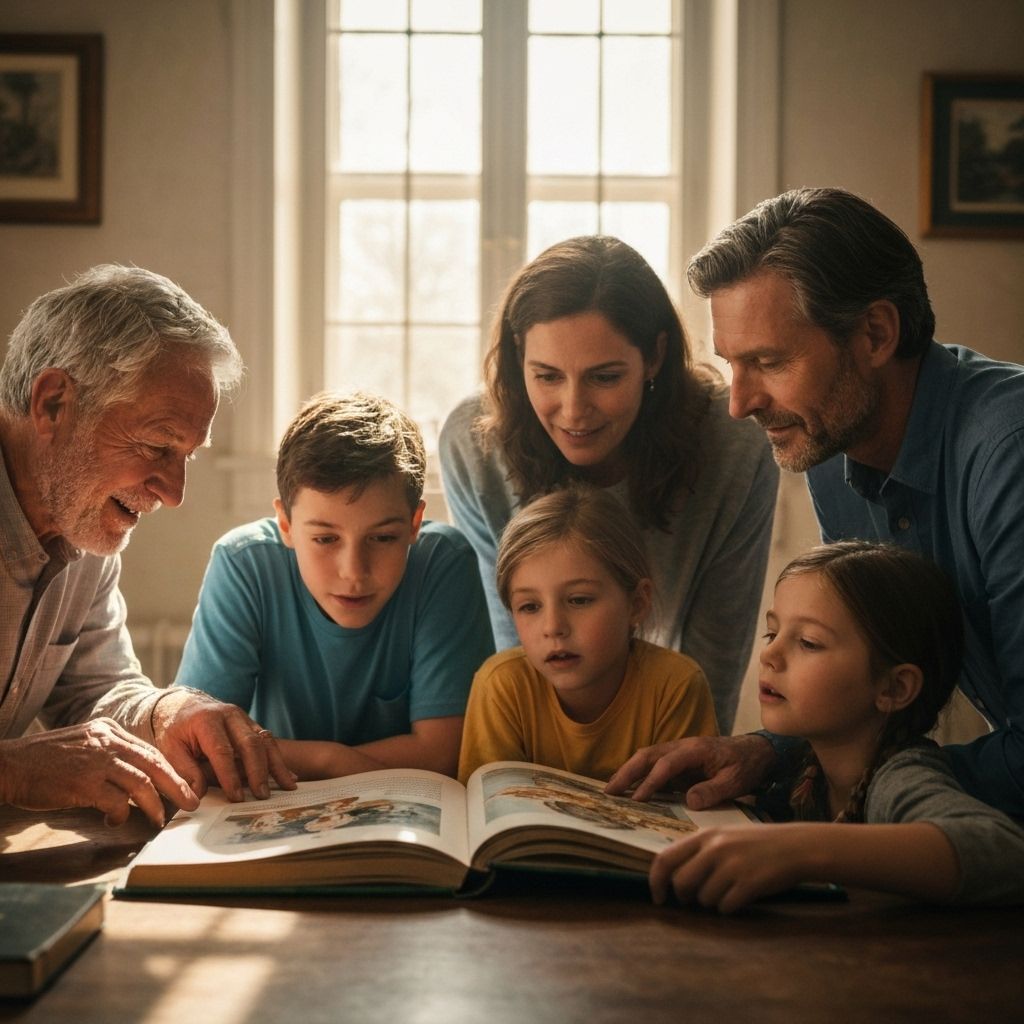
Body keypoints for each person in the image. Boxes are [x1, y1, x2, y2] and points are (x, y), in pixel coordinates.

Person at [608, 187, 1024, 817]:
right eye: (731, 364)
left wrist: (857, 785)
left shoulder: (1008, 453)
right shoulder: (832, 452)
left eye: (769, 361)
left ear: (876, 333)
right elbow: (866, 698)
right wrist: (768, 750)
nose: (740, 402)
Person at [440, 236, 778, 732]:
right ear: (519, 357)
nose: (574, 410)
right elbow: (517, 648)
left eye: (604, 377)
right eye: (547, 376)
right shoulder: (473, 446)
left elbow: (712, 667)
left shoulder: (736, 445)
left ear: (655, 356)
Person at [0, 264, 295, 829]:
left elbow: (98, 689)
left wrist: (168, 710)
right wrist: (15, 771)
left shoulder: (82, 523)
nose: (175, 494)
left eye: (187, 455)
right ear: (54, 404)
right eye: (158, 445)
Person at [648, 542, 1024, 911]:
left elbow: (1003, 852)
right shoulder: (801, 768)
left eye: (809, 643)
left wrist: (798, 849)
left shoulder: (899, 775)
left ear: (894, 688)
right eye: (771, 633)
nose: (769, 654)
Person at [174, 391, 494, 780]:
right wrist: (331, 760)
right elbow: (203, 746)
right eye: (326, 539)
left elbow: (443, 752)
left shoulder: (443, 563)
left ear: (414, 523)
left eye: (382, 538)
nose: (354, 572)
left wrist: (305, 758)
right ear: (286, 525)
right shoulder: (244, 565)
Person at [457, 485, 718, 784]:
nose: (553, 627)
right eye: (530, 606)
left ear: (637, 604)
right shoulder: (502, 686)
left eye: (579, 600)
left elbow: (691, 817)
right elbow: (489, 813)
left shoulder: (676, 685)